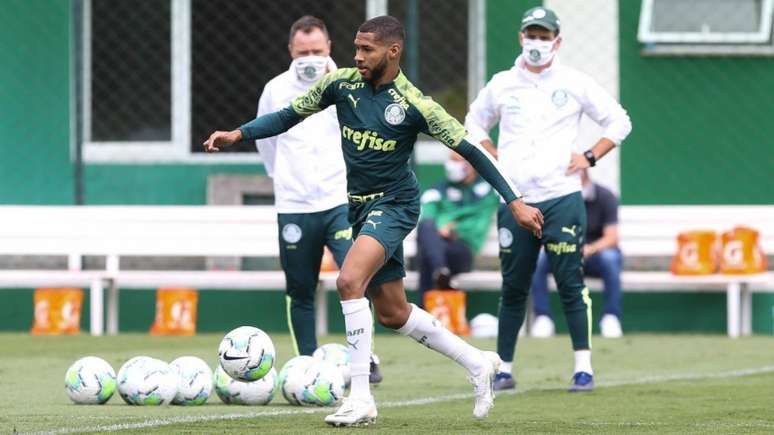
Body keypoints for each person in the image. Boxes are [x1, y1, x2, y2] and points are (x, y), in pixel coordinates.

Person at [204, 15, 544, 427]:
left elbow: (472, 150)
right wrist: (238, 134)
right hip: (359, 207)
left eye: (367, 50)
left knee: (349, 282)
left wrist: (515, 201)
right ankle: (478, 363)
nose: (358, 56)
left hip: (396, 205)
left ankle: (361, 397)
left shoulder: (415, 104)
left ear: (393, 51)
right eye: (356, 48)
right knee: (393, 313)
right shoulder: (341, 84)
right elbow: (287, 116)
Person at [464, 6, 631, 393]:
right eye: (531, 35)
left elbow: (619, 120)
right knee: (513, 286)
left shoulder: (574, 82)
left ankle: (583, 368)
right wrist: (492, 152)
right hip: (515, 199)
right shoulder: (503, 83)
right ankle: (503, 368)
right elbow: (473, 122)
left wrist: (589, 156)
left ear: (557, 42)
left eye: (544, 36)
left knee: (571, 283)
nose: (536, 42)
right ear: (520, 38)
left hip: (561, 196)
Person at [254, 15, 381, 382]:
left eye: (316, 50)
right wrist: (284, 179)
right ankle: (306, 366)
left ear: (329, 49)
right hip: (294, 205)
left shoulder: (351, 83)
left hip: (341, 200)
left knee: (356, 279)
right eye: (302, 51)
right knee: (300, 288)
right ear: (291, 51)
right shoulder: (275, 89)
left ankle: (365, 359)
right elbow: (267, 141)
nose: (309, 57)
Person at [530, 169, 623, 339]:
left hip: (595, 256)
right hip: (563, 253)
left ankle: (611, 317)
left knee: (611, 258)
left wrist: (589, 249)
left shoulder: (605, 196)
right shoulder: (556, 199)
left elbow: (612, 238)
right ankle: (542, 318)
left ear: (585, 172)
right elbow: (546, 233)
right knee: (538, 259)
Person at [416, 151, 499, 305]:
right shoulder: (439, 188)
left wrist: (454, 229)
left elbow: (477, 225)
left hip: (463, 250)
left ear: (471, 165)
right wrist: (442, 227)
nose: (451, 165)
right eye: (450, 160)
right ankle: (441, 272)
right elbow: (427, 214)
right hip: (438, 243)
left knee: (428, 254)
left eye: (457, 160)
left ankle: (425, 309)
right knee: (426, 229)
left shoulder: (487, 190)